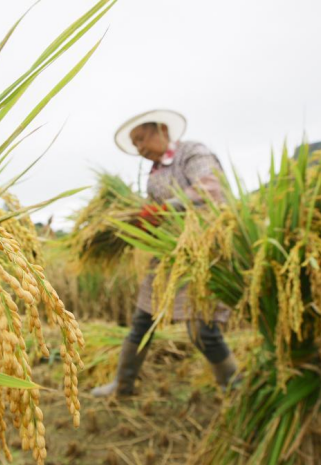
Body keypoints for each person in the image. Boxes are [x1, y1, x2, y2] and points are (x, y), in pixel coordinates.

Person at [91, 109, 238, 397]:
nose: (140, 148)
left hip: (203, 252)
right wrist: (136, 224)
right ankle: (123, 385)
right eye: (134, 144)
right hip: (168, 255)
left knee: (202, 329)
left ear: (161, 129)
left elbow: (209, 188)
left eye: (142, 138)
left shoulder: (192, 153)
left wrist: (163, 209)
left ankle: (233, 386)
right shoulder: (154, 174)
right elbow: (152, 214)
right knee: (142, 321)